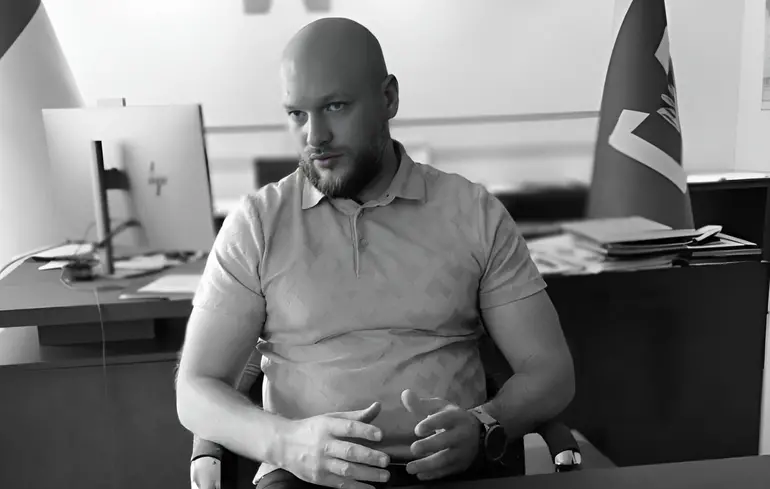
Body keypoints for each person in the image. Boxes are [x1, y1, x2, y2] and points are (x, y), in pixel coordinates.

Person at [177, 17, 575, 489]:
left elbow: (550, 372)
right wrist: (286, 443)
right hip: (305, 473)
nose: (314, 137)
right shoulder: (258, 224)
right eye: (297, 114)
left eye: (335, 107)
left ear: (388, 98)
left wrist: (486, 423)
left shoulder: (472, 212)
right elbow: (196, 389)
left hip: (452, 470)